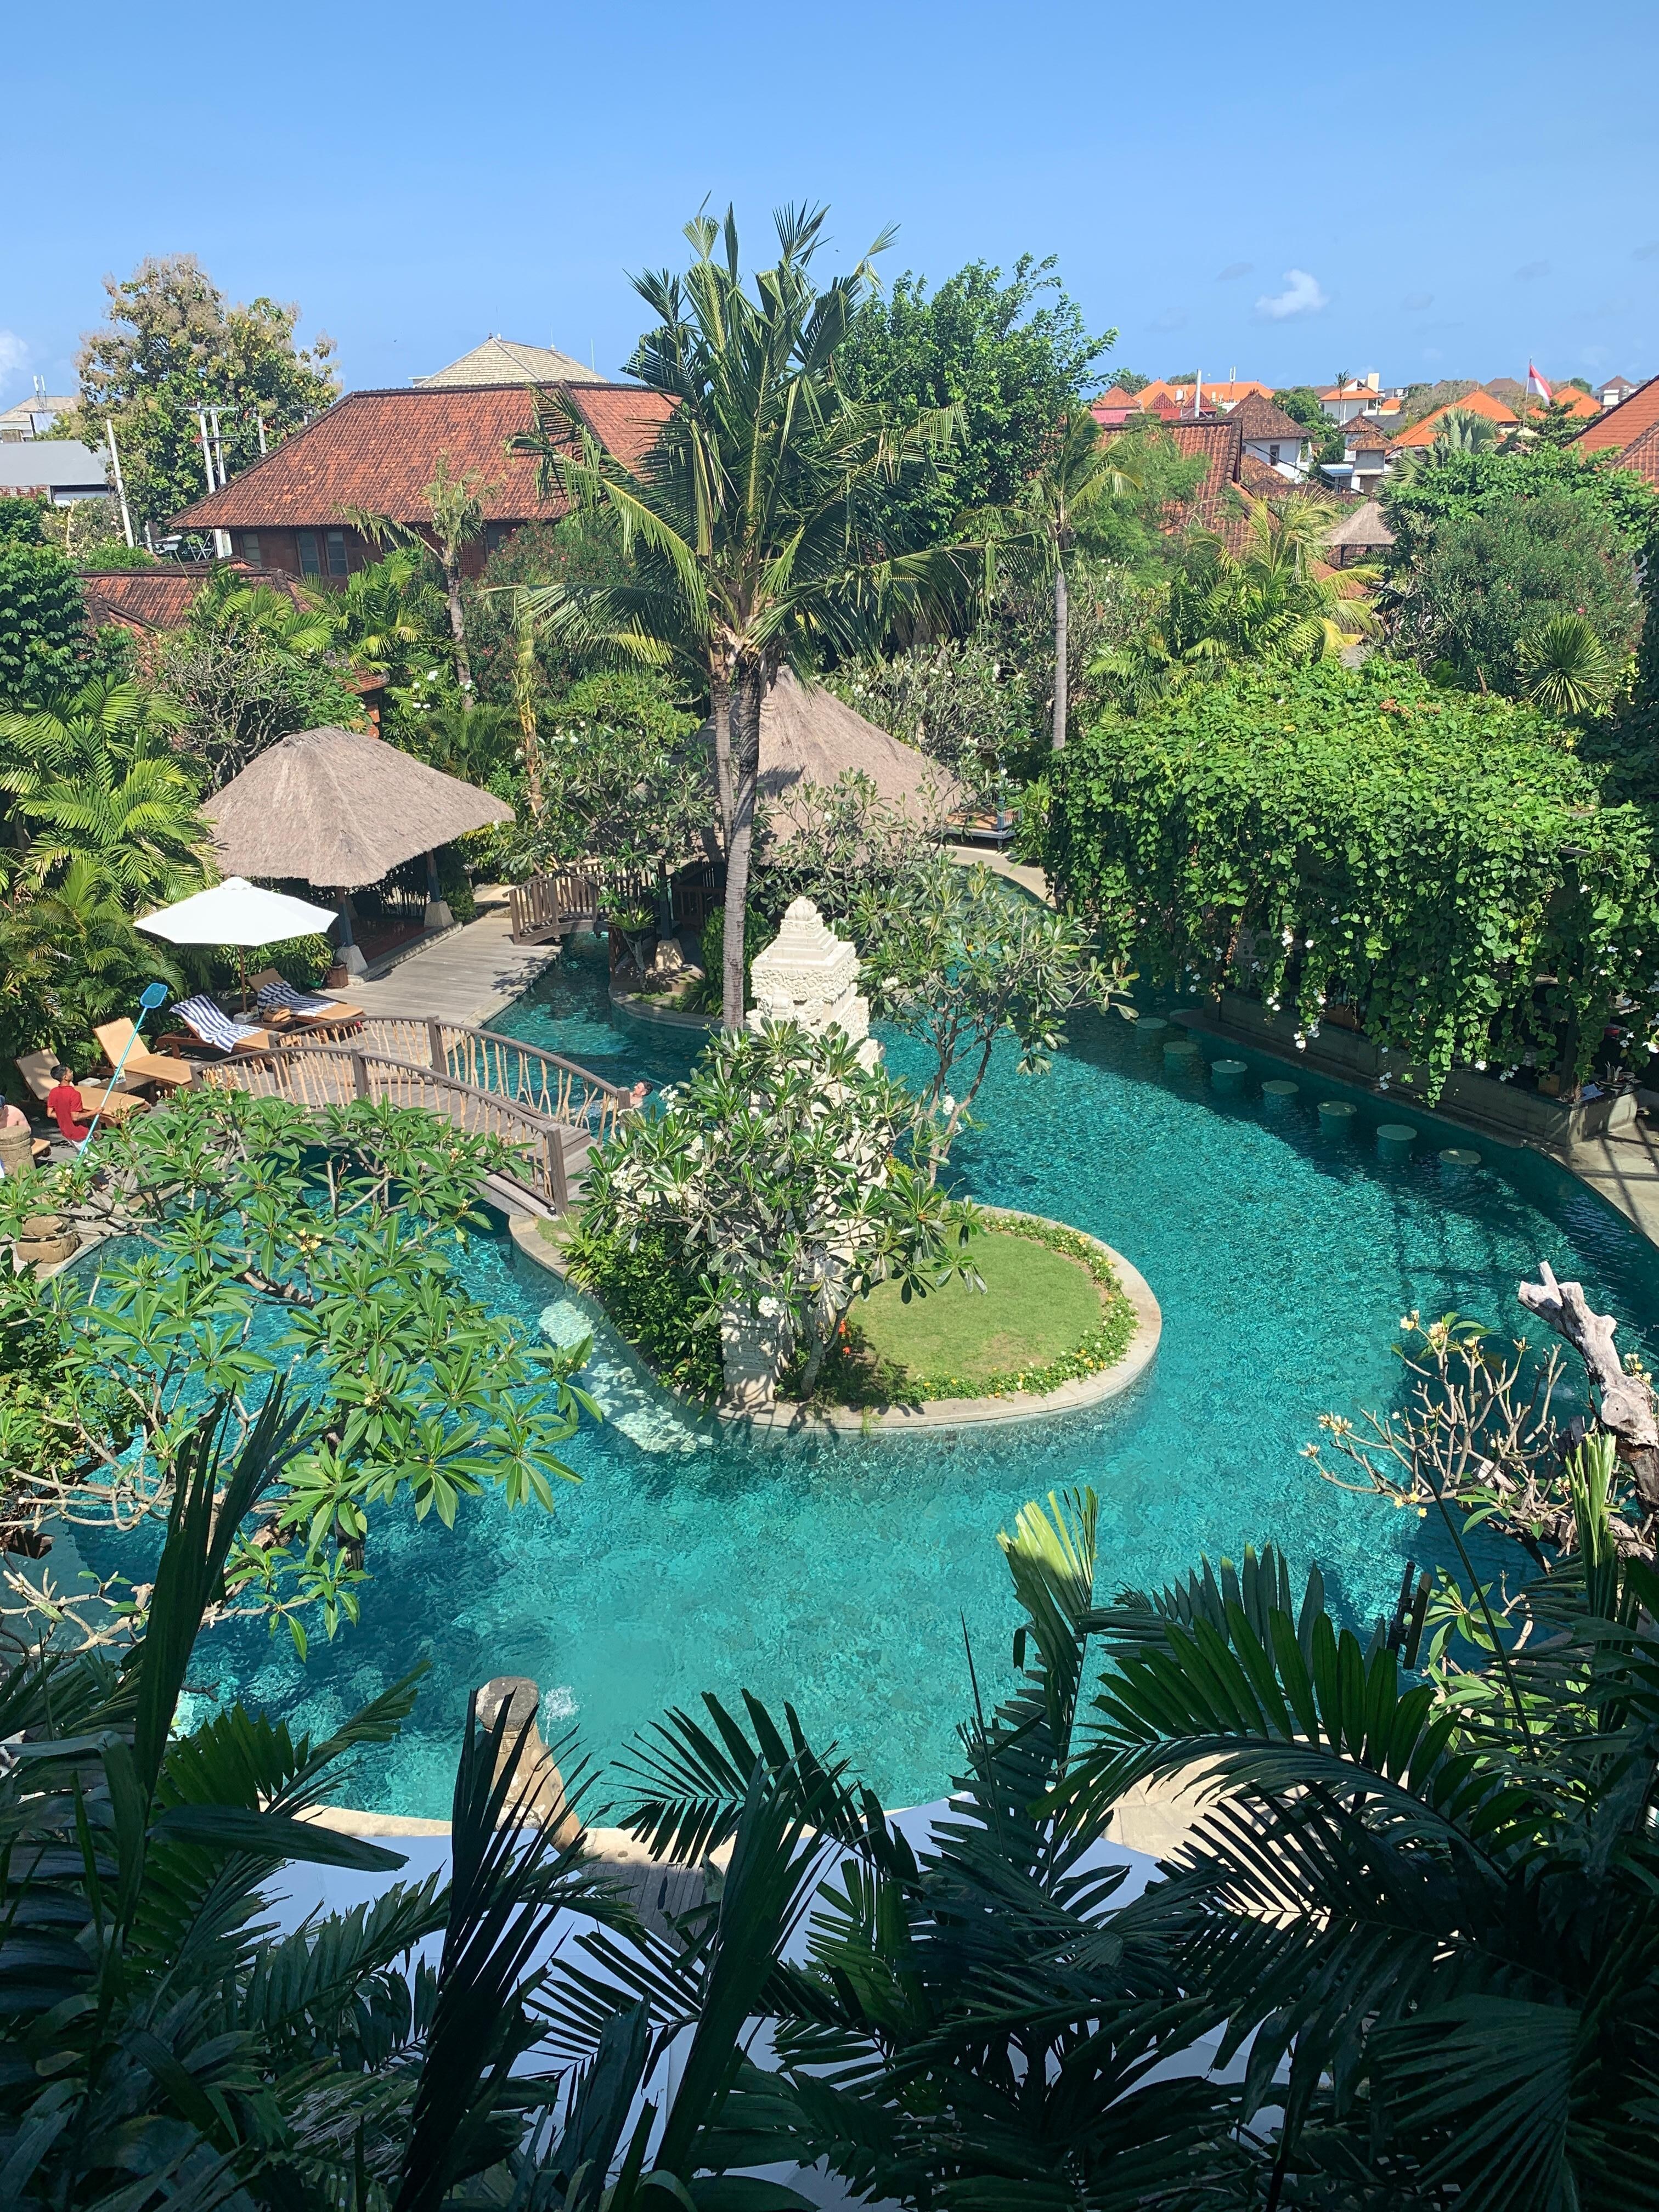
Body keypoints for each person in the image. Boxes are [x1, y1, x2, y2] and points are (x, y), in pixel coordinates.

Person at [44, 1065, 94, 1146]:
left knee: (81, 1154)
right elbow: (75, 1117)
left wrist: (65, 1117)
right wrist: (94, 1112)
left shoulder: (53, 1092)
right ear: (65, 1077)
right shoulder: (74, 1094)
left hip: (66, 1132)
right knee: (94, 1157)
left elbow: (50, 1114)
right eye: (70, 1072)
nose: (72, 1073)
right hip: (80, 1133)